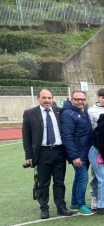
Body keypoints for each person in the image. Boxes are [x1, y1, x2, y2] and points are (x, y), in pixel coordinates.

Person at [22, 89, 72, 219]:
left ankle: (61, 206)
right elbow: (26, 136)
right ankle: (44, 208)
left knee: (59, 182)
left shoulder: (59, 111)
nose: (47, 100)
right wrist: (29, 156)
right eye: (44, 98)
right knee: (43, 182)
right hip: (42, 152)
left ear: (52, 99)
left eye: (49, 98)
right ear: (38, 98)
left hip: (59, 151)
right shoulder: (29, 113)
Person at [60, 91, 94, 215]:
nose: (80, 101)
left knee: (79, 177)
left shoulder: (83, 110)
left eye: (83, 99)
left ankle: (74, 202)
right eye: (77, 99)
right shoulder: (68, 114)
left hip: (86, 152)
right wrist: (74, 156)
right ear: (71, 99)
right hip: (78, 154)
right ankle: (81, 205)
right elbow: (67, 136)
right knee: (83, 178)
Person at [87, 88, 104, 210]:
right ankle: (94, 197)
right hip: (98, 147)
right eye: (103, 97)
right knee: (97, 175)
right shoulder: (91, 111)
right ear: (98, 98)